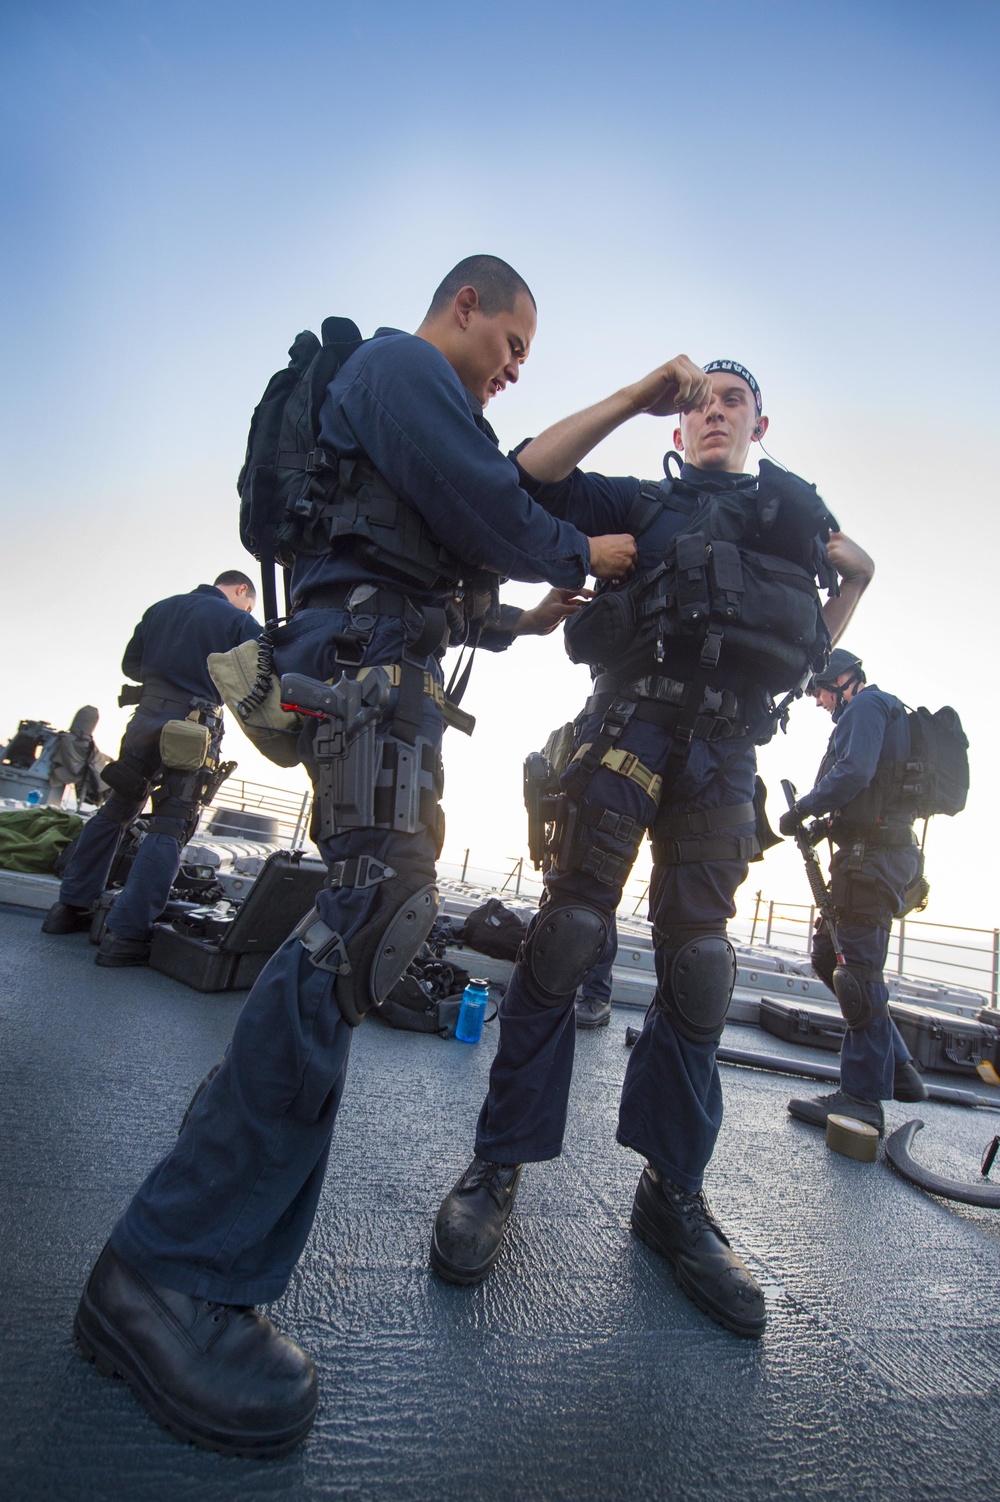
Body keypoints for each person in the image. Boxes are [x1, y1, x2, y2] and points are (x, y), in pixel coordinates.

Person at [71, 256, 640, 1458]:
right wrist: (582, 557)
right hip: (367, 666)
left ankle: (205, 1206)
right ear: (464, 307)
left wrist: (516, 618)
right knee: (370, 922)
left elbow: (426, 553)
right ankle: (163, 1268)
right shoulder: (401, 366)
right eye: (513, 338)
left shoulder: (411, 406)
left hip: (387, 654)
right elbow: (492, 508)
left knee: (361, 925)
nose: (516, 366)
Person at [431, 358, 875, 1340]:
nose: (714, 414)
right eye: (701, 405)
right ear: (680, 430)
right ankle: (496, 1161)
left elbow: (838, 588)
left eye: (733, 403)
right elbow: (526, 475)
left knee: (702, 960)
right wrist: (639, 393)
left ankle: (669, 1193)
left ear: (761, 422)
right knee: (567, 931)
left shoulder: (790, 516)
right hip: (626, 729)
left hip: (723, 748)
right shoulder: (637, 498)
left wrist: (851, 588)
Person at [42, 572, 260, 964]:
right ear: (242, 591)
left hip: (144, 719)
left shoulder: (162, 608)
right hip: (193, 726)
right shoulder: (237, 620)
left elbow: (131, 666)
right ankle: (126, 935)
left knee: (117, 810)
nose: (247, 610)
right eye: (249, 604)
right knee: (172, 821)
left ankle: (69, 909)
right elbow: (262, 674)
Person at [780, 649, 927, 1134]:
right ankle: (900, 1070)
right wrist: (823, 826)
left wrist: (801, 809)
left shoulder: (866, 707)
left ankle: (862, 1098)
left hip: (873, 861)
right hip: (876, 853)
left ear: (841, 679)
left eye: (819, 691)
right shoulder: (885, 710)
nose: (818, 701)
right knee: (828, 957)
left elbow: (855, 773)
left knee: (856, 974)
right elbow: (868, 791)